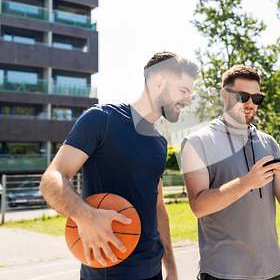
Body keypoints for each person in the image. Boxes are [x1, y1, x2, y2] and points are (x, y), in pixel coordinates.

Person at [40, 51, 201, 280]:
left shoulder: (159, 141)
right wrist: (84, 216)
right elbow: (52, 178)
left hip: (152, 270)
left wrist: (172, 268)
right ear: (158, 83)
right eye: (183, 91)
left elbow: (157, 207)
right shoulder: (102, 119)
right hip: (107, 270)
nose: (187, 101)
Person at [181, 65, 280, 280]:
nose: (250, 104)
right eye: (243, 96)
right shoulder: (197, 142)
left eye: (257, 98)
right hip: (223, 271)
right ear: (225, 96)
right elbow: (198, 206)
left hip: (271, 269)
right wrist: (246, 183)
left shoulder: (269, 143)